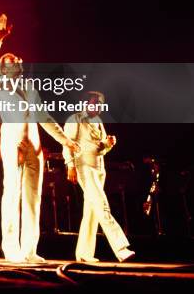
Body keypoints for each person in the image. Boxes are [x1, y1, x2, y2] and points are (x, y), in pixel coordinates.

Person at [0, 14, 79, 263]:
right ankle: (12, 249)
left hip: (34, 145)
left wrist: (65, 141)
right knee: (12, 192)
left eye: (18, 59)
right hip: (12, 140)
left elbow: (44, 116)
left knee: (32, 196)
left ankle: (29, 249)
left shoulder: (29, 87)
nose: (19, 60)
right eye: (13, 60)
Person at [63, 91, 134, 262]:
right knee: (102, 207)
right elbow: (68, 144)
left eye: (101, 103)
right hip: (84, 167)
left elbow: (100, 147)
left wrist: (108, 144)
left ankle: (83, 253)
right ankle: (121, 249)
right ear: (85, 103)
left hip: (99, 168)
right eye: (96, 102)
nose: (100, 106)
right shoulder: (75, 119)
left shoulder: (98, 121)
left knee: (92, 211)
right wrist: (70, 165)